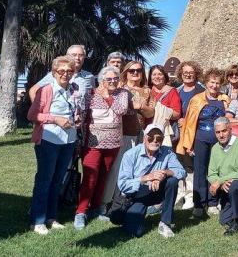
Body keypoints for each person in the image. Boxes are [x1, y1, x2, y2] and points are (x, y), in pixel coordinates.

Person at [27, 56, 83, 235]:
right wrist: (55, 119)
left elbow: (75, 110)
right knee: (45, 179)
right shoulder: (46, 90)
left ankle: (51, 217)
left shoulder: (74, 89)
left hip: (68, 140)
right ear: (54, 72)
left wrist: (77, 118)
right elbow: (32, 115)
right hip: (48, 140)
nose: (66, 74)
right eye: (62, 71)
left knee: (57, 180)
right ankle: (37, 220)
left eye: (70, 71)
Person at [74, 66, 129, 229]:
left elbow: (121, 110)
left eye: (115, 79)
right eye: (109, 79)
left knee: (104, 176)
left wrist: (107, 97)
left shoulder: (123, 94)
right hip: (93, 143)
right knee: (90, 177)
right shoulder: (91, 95)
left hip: (113, 143)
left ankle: (97, 208)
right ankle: (80, 212)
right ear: (101, 80)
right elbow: (83, 117)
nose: (113, 82)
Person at [101, 60, 154, 210]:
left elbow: (151, 112)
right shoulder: (119, 88)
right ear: (126, 73)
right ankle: (107, 201)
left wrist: (141, 106)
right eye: (132, 71)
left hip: (139, 134)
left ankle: (128, 200)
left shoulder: (146, 90)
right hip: (121, 133)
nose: (136, 73)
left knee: (136, 169)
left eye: (139, 70)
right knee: (117, 169)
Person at [116, 124, 185, 238]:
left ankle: (165, 223)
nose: (154, 141)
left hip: (157, 191)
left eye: (158, 138)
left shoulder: (168, 152)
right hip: (137, 195)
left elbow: (181, 171)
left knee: (172, 181)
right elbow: (123, 184)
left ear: (162, 140)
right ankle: (134, 213)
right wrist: (147, 178)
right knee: (135, 231)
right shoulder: (130, 155)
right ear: (144, 138)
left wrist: (164, 173)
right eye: (151, 137)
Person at [177, 69, 230, 219]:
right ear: (206, 83)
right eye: (212, 82)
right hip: (200, 139)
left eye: (217, 83)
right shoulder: (197, 99)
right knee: (199, 172)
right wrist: (189, 144)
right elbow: (189, 122)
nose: (214, 85)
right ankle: (199, 204)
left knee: (215, 171)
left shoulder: (224, 99)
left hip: (219, 141)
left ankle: (213, 202)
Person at [175, 60, 204, 210]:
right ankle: (181, 192)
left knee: (190, 165)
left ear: (196, 74)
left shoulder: (200, 91)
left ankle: (190, 196)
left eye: (191, 72)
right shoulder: (177, 90)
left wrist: (186, 120)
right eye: (185, 72)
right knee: (179, 163)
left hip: (193, 133)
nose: (187, 74)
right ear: (180, 74)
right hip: (178, 134)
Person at [28, 45, 94, 102]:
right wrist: (39, 112)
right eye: (74, 55)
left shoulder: (89, 77)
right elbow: (33, 91)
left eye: (81, 55)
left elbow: (91, 97)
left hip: (80, 116)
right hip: (58, 115)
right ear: (67, 56)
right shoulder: (56, 74)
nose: (77, 58)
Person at [147, 65, 181, 136]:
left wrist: (159, 107)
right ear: (150, 77)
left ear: (165, 77)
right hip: (147, 131)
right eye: (154, 74)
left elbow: (177, 114)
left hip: (164, 132)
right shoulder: (146, 91)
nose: (157, 77)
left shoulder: (171, 91)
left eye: (160, 74)